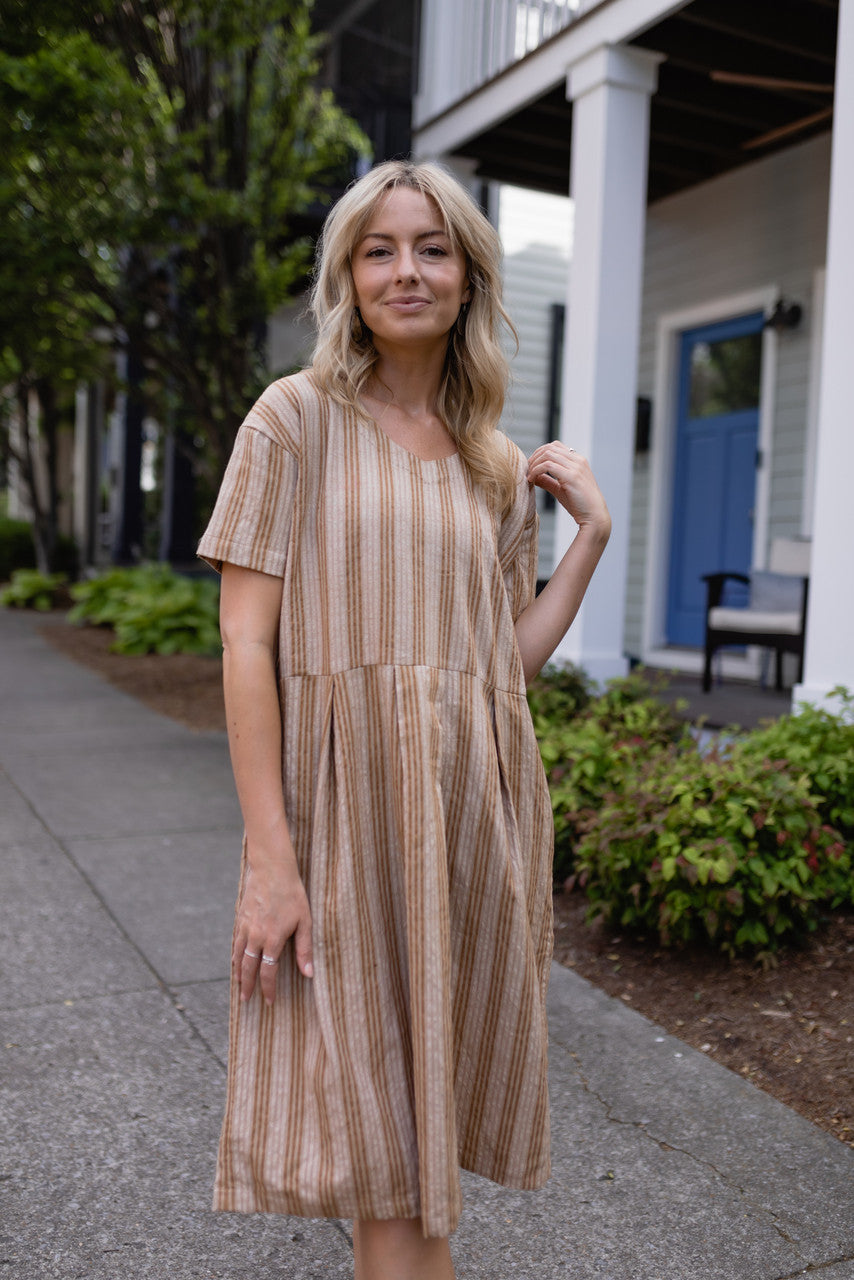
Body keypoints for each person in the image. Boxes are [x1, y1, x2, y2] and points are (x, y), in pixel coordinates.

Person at [197, 158, 610, 1280]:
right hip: (345, 815)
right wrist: (270, 860)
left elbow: (499, 662)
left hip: (469, 814)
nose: (405, 270)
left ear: (468, 275)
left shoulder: (489, 461)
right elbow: (245, 644)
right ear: (348, 275)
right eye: (377, 249)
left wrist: (586, 543)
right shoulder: (294, 418)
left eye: (429, 247)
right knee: (382, 1147)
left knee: (425, 1151)